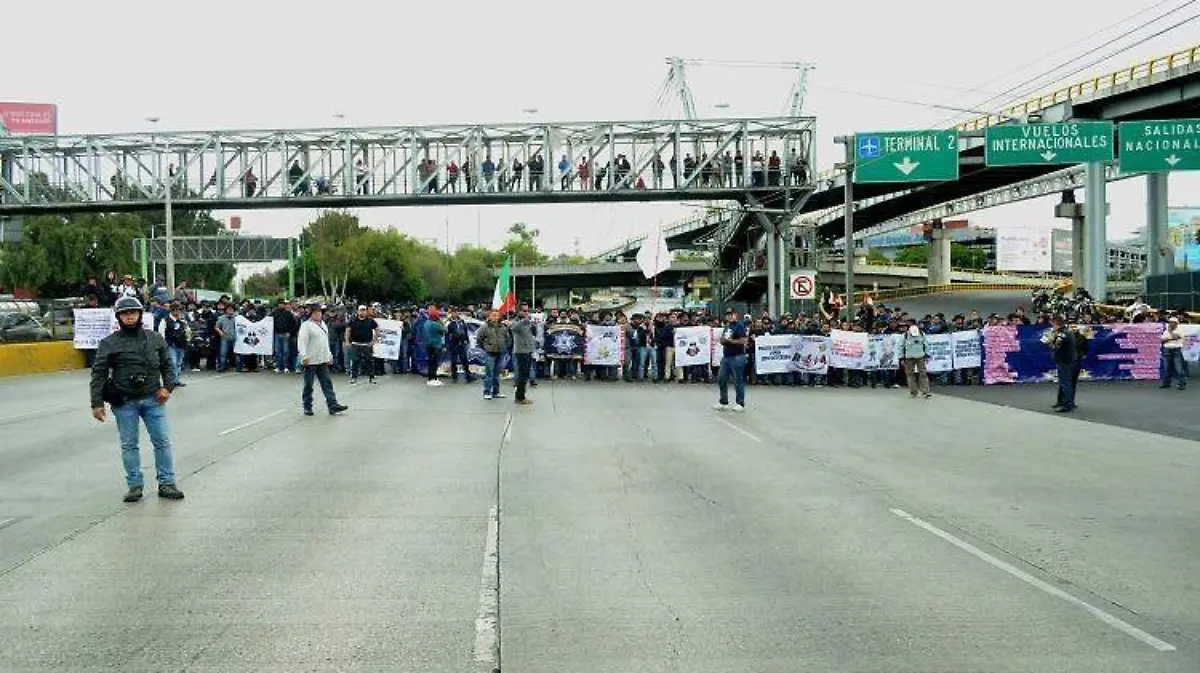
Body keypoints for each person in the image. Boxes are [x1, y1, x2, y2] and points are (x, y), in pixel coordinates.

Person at [89, 296, 184, 503]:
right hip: (124, 403)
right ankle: (134, 486)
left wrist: (168, 387)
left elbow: (168, 365)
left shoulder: (155, 339)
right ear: (119, 317)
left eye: (133, 312)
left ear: (140, 314)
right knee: (129, 445)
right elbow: (99, 373)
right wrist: (96, 403)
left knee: (162, 442)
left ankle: (167, 483)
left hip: (153, 399)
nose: (129, 316)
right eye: (125, 313)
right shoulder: (109, 343)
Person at [298, 303, 348, 417]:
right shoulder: (306, 326)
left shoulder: (323, 325)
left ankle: (332, 405)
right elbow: (302, 342)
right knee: (308, 385)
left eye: (319, 312)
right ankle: (307, 406)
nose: (318, 314)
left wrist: (329, 355)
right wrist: (304, 356)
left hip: (322, 359)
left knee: (327, 383)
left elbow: (325, 342)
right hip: (310, 360)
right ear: (311, 314)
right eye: (315, 312)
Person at [713, 309, 748, 411]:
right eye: (728, 315)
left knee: (738, 380)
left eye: (731, 314)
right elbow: (724, 338)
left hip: (737, 356)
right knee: (721, 378)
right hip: (726, 356)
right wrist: (723, 341)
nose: (729, 316)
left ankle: (740, 403)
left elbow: (743, 340)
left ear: (735, 315)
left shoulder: (739, 326)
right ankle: (723, 401)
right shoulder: (727, 326)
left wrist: (730, 341)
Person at [475, 311, 511, 400]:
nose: (496, 317)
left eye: (497, 315)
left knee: (496, 374)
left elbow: (508, 338)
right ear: (490, 316)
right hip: (489, 353)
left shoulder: (503, 327)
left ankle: (496, 392)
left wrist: (505, 346)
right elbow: (479, 338)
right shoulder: (485, 327)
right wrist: (485, 347)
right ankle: (487, 392)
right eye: (494, 315)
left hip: (500, 352)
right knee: (489, 373)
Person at [1047, 315, 1078, 412]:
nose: (1052, 327)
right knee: (1064, 382)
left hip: (1065, 361)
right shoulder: (1067, 332)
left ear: (1056, 324)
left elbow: (1056, 346)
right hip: (1069, 360)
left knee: (1065, 383)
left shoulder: (1062, 334)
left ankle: (1067, 404)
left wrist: (1050, 341)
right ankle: (1062, 401)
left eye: (1052, 324)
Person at [346, 304, 379, 385]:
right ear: (358, 311)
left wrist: (373, 341)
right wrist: (347, 341)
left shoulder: (370, 320)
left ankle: (372, 377)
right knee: (355, 362)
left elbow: (377, 329)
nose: (362, 312)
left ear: (366, 311)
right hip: (355, 344)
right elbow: (348, 330)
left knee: (369, 362)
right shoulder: (353, 320)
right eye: (361, 310)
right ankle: (354, 378)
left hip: (367, 345)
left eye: (364, 310)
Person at [511, 305, 537, 405]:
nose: (527, 312)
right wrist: (524, 321)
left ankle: (522, 395)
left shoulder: (527, 322)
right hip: (521, 351)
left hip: (528, 350)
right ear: (519, 311)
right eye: (524, 311)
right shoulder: (517, 321)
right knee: (522, 375)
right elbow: (513, 328)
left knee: (525, 375)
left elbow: (532, 333)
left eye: (528, 310)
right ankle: (520, 397)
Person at [899, 323, 932, 399]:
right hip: (908, 358)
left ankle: (926, 391)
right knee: (910, 375)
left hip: (920, 356)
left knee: (923, 374)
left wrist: (927, 355)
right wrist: (901, 358)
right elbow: (901, 347)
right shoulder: (905, 336)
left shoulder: (922, 334)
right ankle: (913, 391)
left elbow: (926, 345)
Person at [1160, 316, 1188, 390]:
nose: (1170, 324)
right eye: (1169, 323)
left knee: (1179, 368)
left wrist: (1170, 333)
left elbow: (1177, 337)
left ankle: (1182, 384)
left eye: (1172, 323)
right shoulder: (1166, 330)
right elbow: (1162, 340)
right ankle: (1166, 383)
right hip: (1167, 349)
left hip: (1176, 349)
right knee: (1166, 368)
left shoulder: (1180, 330)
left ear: (1176, 323)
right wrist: (1170, 338)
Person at [423, 305, 446, 387]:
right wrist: (440, 321)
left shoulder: (426, 323)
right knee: (434, 363)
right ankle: (432, 379)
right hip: (435, 346)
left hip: (428, 345)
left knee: (431, 362)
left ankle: (432, 378)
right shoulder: (436, 324)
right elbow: (444, 330)